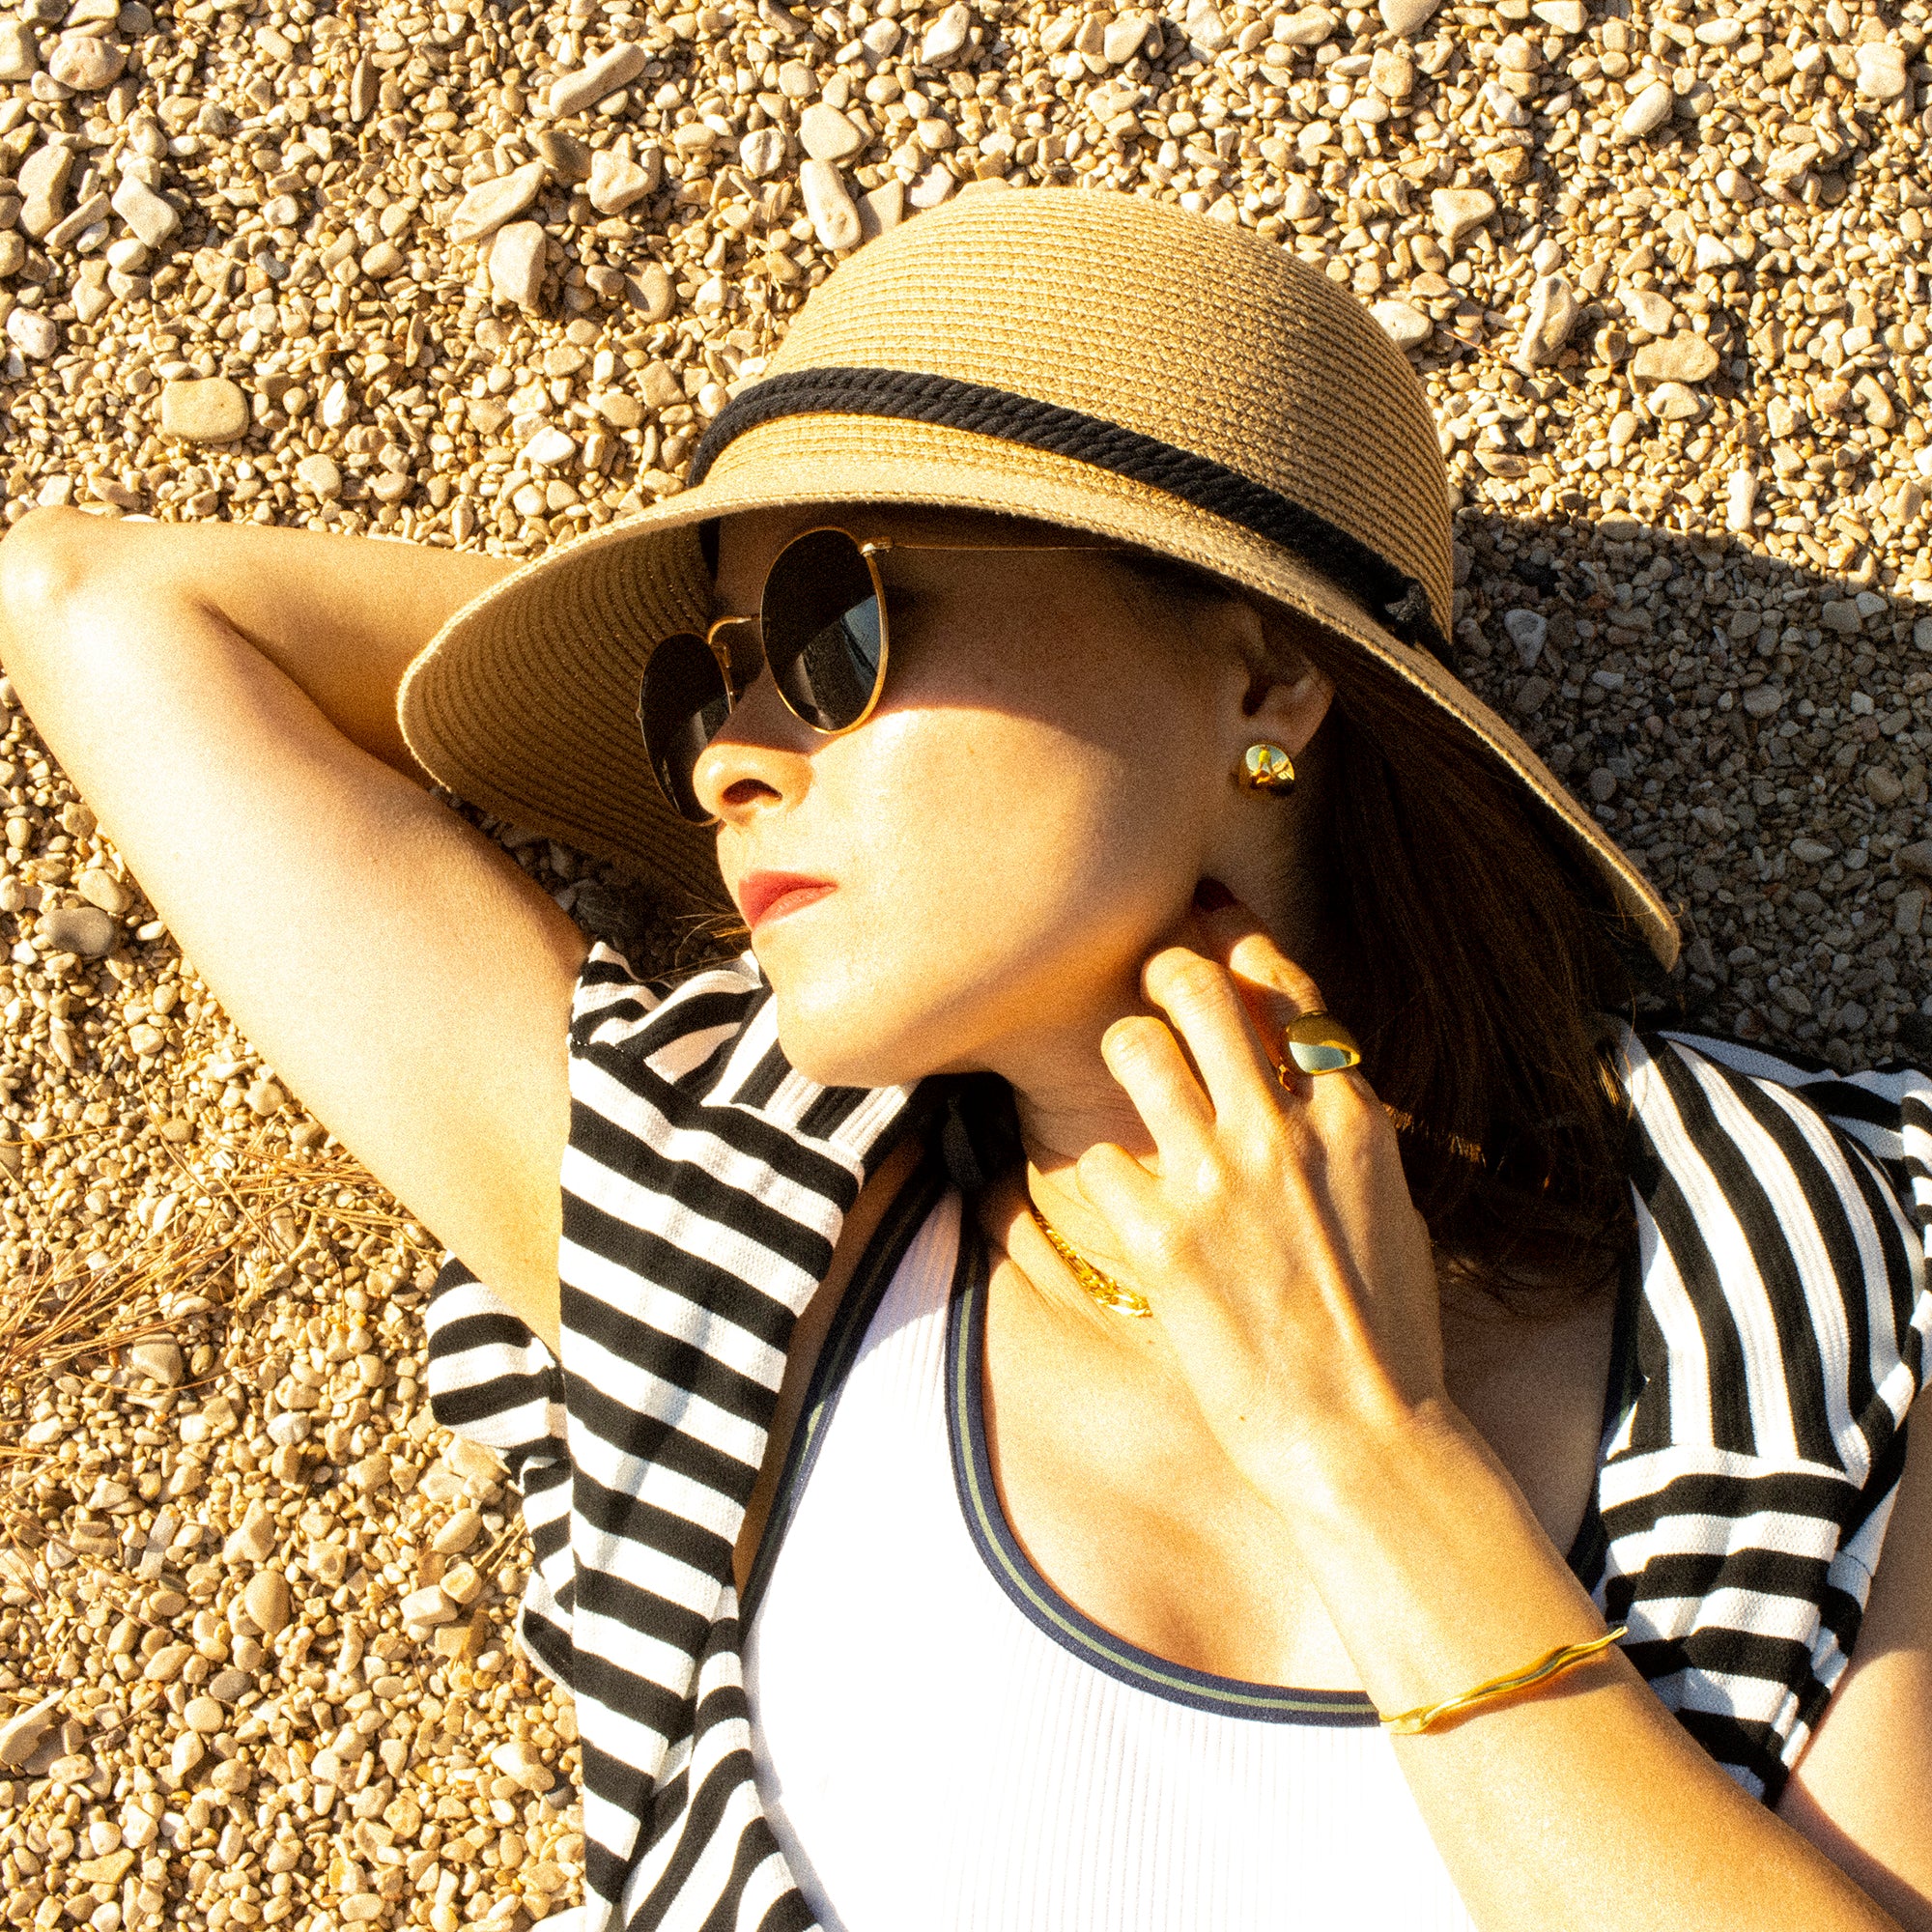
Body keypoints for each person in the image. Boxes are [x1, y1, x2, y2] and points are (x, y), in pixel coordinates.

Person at [2, 186, 1928, 1932]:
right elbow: (102, 605)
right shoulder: (728, 1226)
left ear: (1265, 672)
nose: (719, 761)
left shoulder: (1839, 1277)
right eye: (702, 688)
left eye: (839, 624)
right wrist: (859, 755)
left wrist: (1367, 1454)